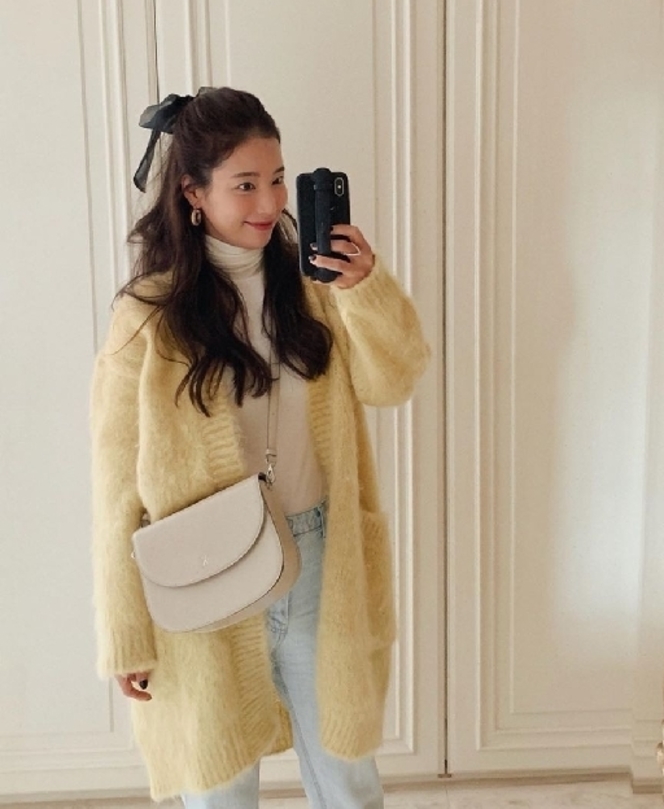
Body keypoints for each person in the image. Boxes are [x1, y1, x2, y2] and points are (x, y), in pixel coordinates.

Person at [90, 86, 429, 808]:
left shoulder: (316, 288)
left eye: (277, 178)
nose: (270, 202)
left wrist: (365, 289)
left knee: (348, 780)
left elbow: (394, 379)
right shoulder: (147, 317)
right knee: (220, 787)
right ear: (193, 193)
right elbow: (115, 483)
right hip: (204, 566)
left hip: (319, 559)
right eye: (244, 185)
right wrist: (126, 630)